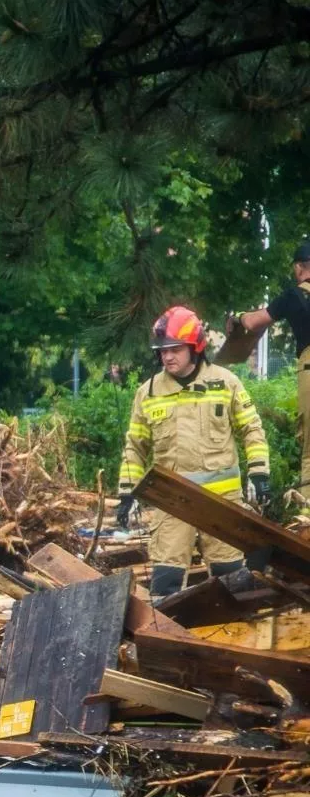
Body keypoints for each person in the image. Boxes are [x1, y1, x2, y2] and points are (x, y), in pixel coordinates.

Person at [117, 306, 270, 599]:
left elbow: (252, 429)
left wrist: (259, 473)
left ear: (195, 346)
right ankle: (168, 643)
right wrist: (127, 493)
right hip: (171, 506)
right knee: (165, 585)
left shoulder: (225, 383)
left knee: (232, 583)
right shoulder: (148, 393)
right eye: (162, 351)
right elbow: (134, 448)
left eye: (175, 349)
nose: (167, 356)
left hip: (221, 505)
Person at [229, 239, 310, 515]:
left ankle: (308, 517)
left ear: (300, 268)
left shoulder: (294, 295)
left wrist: (238, 317)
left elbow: (254, 322)